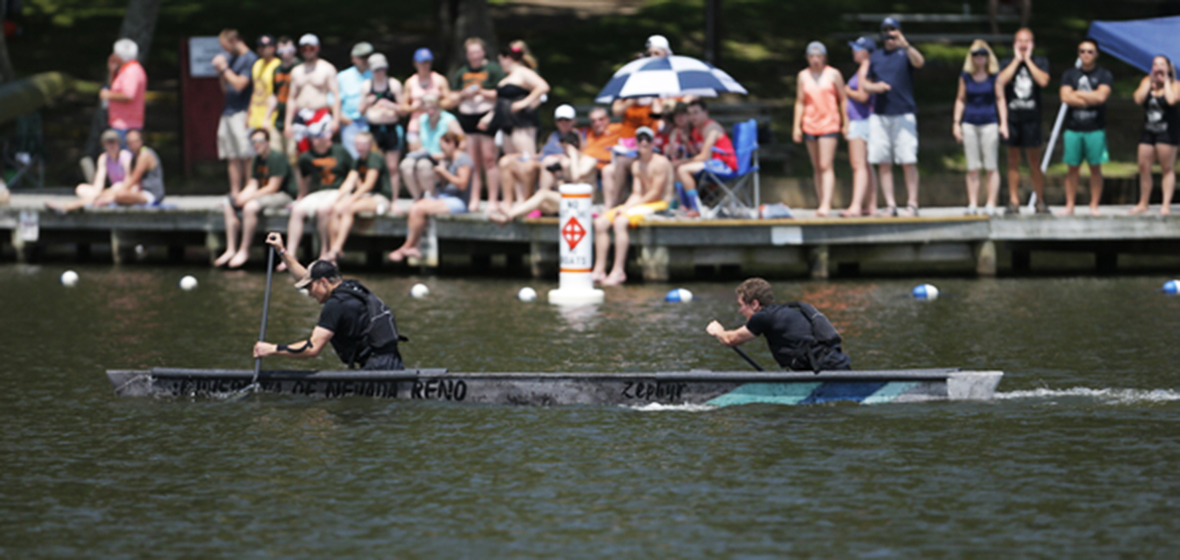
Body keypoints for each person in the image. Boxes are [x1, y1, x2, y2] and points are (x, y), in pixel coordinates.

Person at [256, 237, 405, 371]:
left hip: (375, 370)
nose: (309, 293)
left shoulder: (336, 305)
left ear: (324, 282)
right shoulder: (351, 287)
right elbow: (306, 278)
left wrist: (272, 349)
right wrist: (281, 251)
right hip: (393, 363)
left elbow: (312, 348)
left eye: (310, 288)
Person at [705, 278, 852, 372]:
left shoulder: (763, 317)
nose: (740, 310)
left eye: (741, 305)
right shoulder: (786, 312)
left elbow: (731, 340)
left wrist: (718, 331)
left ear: (755, 304)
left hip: (826, 370)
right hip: (838, 365)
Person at [592, 127, 672, 286]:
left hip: (659, 203)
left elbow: (655, 192)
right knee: (600, 222)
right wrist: (625, 207)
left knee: (621, 222)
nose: (643, 142)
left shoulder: (661, 162)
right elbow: (636, 192)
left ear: (652, 142)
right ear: (636, 142)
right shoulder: (636, 164)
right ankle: (599, 269)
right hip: (642, 203)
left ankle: (618, 271)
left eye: (647, 139)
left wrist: (627, 210)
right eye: (640, 139)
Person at [480, 41, 549, 209]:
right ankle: (518, 201)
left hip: (522, 124)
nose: (500, 64)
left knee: (526, 163)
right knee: (510, 165)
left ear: (508, 58)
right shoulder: (507, 77)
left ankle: (529, 201)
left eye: (501, 60)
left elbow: (543, 87)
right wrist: (489, 116)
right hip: (506, 125)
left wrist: (525, 103)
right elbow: (502, 101)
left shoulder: (523, 72)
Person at [868, 17, 925, 217]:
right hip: (881, 114)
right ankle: (890, 205)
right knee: (884, 161)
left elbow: (919, 62)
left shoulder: (905, 53)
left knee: (908, 159)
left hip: (904, 113)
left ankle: (912, 203)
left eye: (893, 29)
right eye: (886, 30)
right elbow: (865, 83)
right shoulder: (875, 56)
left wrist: (905, 44)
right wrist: (876, 87)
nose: (890, 33)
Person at [214, 128, 294, 268]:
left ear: (268, 142)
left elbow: (273, 187)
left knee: (250, 207)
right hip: (264, 194)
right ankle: (231, 249)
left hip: (283, 195)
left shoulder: (277, 157)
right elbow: (253, 183)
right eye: (254, 142)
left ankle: (245, 250)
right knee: (229, 203)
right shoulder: (256, 159)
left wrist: (248, 198)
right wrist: (240, 197)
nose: (257, 144)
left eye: (260, 141)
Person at [389, 132, 473, 262]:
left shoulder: (463, 159)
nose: (441, 149)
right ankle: (411, 246)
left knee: (418, 209)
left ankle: (408, 246)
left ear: (451, 144)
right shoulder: (449, 159)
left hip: (458, 201)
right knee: (415, 207)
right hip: (444, 196)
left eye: (442, 146)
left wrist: (444, 173)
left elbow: (462, 184)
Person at [490, 130, 598, 225]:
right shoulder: (569, 163)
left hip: (584, 202)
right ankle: (510, 216)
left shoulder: (589, 161)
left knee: (543, 194)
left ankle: (508, 215)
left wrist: (573, 154)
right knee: (541, 203)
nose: (564, 152)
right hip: (570, 200)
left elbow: (576, 177)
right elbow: (567, 185)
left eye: (565, 149)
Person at [997, 28, 1051, 214]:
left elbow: (1043, 81)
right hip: (1012, 118)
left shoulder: (1040, 62)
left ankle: (1040, 199)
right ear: (1014, 43)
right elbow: (1000, 82)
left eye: (1027, 41)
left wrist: (1027, 60)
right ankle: (1014, 200)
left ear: (1032, 44)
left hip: (1032, 118)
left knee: (1034, 161)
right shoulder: (1006, 62)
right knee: (1012, 160)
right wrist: (1016, 61)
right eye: (1020, 41)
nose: (1023, 44)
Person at [450, 38, 505, 213]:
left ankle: (492, 198)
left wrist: (481, 91)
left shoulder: (493, 70)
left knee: (489, 159)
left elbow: (502, 93)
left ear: (483, 52)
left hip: (486, 116)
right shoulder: (462, 73)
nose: (474, 56)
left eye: (477, 52)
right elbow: (453, 96)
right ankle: (473, 198)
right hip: (467, 118)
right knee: (473, 162)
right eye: (471, 53)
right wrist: (463, 94)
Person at [282, 125, 352, 264]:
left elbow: (352, 173)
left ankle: (324, 252)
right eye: (319, 137)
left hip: (337, 190)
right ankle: (290, 255)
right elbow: (304, 179)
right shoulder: (306, 157)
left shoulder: (340, 151)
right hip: (318, 192)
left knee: (324, 209)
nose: (325, 139)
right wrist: (301, 196)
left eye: (325, 136)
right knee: (297, 210)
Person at [793, 41, 847, 217]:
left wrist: (846, 122)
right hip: (810, 122)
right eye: (812, 56)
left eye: (818, 56)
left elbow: (843, 99)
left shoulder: (833, 74)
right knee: (816, 166)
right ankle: (820, 199)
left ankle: (826, 203)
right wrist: (797, 126)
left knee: (825, 164)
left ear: (824, 57)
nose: (815, 60)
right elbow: (800, 101)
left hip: (829, 122)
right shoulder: (803, 76)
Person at [1060, 39, 1113, 216]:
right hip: (1073, 129)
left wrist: (1078, 93)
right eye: (1082, 51)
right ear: (1078, 53)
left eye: (1090, 51)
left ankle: (1094, 205)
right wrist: (1090, 95)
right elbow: (1065, 97)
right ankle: (1069, 205)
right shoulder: (1069, 74)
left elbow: (1100, 98)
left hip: (1095, 129)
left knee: (1095, 168)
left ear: (1096, 54)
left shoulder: (1104, 74)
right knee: (1072, 168)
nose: (1086, 55)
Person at [953, 40, 1007, 215]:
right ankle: (973, 203)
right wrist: (956, 123)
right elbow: (960, 99)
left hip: (989, 122)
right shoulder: (965, 77)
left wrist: (1003, 122)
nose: (980, 58)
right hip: (970, 122)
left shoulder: (994, 77)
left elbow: (1000, 99)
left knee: (991, 165)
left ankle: (991, 203)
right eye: (976, 55)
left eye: (983, 54)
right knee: (972, 166)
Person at [323, 132, 394, 262]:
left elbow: (369, 184)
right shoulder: (357, 160)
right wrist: (336, 200)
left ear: (370, 145)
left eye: (363, 144)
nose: (359, 147)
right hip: (366, 197)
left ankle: (337, 248)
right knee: (335, 209)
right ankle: (333, 250)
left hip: (380, 197)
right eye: (357, 144)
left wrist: (351, 199)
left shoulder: (374, 158)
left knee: (348, 208)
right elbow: (349, 182)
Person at [211, 29, 258, 198]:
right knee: (231, 154)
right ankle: (235, 191)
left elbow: (239, 84)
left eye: (226, 47)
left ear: (235, 41)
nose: (226, 51)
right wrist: (221, 72)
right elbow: (226, 88)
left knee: (246, 153)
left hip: (243, 111)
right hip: (228, 110)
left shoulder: (249, 59)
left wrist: (224, 69)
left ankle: (248, 188)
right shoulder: (232, 59)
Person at [1131, 56, 1178, 215]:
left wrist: (1165, 82)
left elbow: (1172, 100)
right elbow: (1138, 99)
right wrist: (1149, 82)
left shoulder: (1175, 85)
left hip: (1167, 132)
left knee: (1166, 168)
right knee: (1144, 166)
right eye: (1155, 64)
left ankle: (1165, 205)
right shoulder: (1147, 82)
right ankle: (1143, 202)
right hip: (1149, 130)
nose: (1158, 67)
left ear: (1168, 67)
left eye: (1162, 64)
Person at [676, 99, 737, 218]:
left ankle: (695, 207)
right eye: (690, 113)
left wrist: (681, 162)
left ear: (705, 113)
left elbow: (703, 156)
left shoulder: (711, 128)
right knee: (678, 168)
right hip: (712, 163)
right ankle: (684, 206)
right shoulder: (697, 130)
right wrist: (686, 142)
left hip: (725, 165)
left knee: (682, 169)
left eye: (696, 112)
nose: (692, 117)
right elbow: (698, 154)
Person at [841, 36, 882, 217]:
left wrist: (846, 90)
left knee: (858, 165)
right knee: (866, 164)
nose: (853, 51)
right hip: (866, 120)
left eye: (857, 48)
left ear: (865, 52)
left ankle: (856, 206)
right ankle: (871, 205)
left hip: (861, 120)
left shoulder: (864, 68)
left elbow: (863, 96)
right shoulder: (869, 68)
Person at [47, 130, 133, 213]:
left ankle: (67, 207)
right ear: (104, 145)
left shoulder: (125, 156)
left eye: (113, 142)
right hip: (110, 192)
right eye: (108, 143)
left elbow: (130, 179)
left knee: (117, 186)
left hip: (126, 191)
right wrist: (98, 193)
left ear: (119, 143)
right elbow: (99, 182)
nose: (111, 146)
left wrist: (106, 193)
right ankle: (97, 200)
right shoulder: (103, 158)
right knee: (81, 188)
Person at [358, 53, 404, 204]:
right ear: (371, 70)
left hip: (390, 128)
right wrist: (368, 102)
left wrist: (392, 106)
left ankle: (394, 198)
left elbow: (404, 110)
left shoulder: (394, 84)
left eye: (383, 69)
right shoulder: (366, 85)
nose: (380, 73)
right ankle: (376, 194)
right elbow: (360, 110)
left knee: (392, 167)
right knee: (375, 164)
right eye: (377, 70)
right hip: (374, 128)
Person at [283, 34, 340, 155]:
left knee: (322, 150)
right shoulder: (296, 71)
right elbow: (292, 98)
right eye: (304, 49)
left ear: (317, 48)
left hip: (320, 113)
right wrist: (288, 123)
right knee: (300, 152)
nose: (308, 52)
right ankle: (303, 175)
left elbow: (335, 95)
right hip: (301, 114)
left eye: (311, 48)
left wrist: (335, 119)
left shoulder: (327, 68)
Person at [399, 94, 463, 200]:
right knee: (405, 165)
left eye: (433, 107)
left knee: (423, 166)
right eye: (427, 108)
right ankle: (417, 198)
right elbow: (419, 141)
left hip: (443, 157)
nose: (430, 111)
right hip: (425, 155)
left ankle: (431, 197)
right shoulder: (422, 119)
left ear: (438, 107)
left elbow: (461, 140)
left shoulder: (448, 119)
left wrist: (447, 154)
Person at [402, 48, 451, 152]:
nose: (425, 66)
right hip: (416, 125)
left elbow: (449, 101)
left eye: (428, 62)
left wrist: (434, 105)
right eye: (422, 63)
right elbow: (403, 106)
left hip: (437, 125)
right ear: (415, 63)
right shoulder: (410, 82)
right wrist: (414, 108)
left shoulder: (439, 79)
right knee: (415, 155)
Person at [103, 39, 146, 148]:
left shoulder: (132, 71)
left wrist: (108, 95)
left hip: (127, 126)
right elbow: (117, 88)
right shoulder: (125, 70)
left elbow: (128, 95)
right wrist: (112, 71)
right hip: (120, 123)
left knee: (124, 161)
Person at [266, 36, 301, 165]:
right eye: (282, 50)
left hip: (296, 120)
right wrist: (267, 117)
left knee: (293, 158)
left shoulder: (300, 67)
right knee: (277, 157)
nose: (285, 53)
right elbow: (274, 95)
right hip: (278, 119)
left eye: (289, 49)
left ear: (294, 50)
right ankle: (280, 185)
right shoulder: (276, 69)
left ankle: (295, 185)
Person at [337, 42, 374, 159]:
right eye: (362, 57)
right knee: (352, 158)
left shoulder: (375, 75)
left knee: (372, 158)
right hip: (350, 123)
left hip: (371, 123)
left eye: (368, 57)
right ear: (354, 59)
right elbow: (333, 101)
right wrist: (345, 120)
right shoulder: (343, 77)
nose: (366, 60)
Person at [247, 35, 280, 135]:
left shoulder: (278, 65)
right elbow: (254, 90)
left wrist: (270, 115)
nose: (263, 49)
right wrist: (248, 114)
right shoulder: (257, 64)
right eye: (260, 46)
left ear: (273, 48)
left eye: (266, 46)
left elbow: (279, 92)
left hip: (271, 115)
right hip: (255, 114)